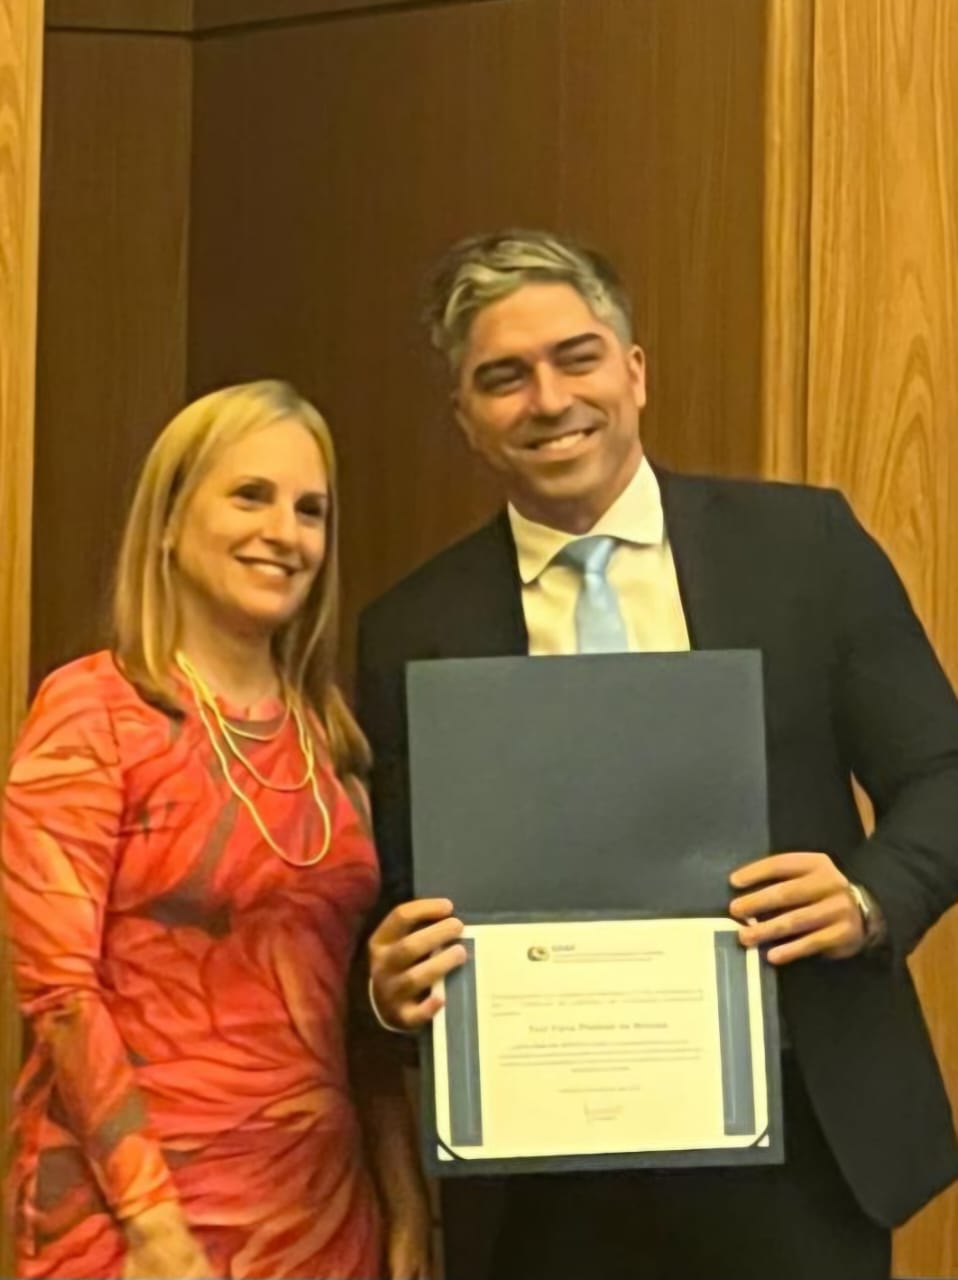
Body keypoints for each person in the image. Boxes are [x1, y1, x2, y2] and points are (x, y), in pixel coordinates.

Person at [356, 230, 958, 1280]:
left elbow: (942, 773)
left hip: (799, 1138)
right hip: (541, 1178)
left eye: (576, 357)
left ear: (633, 370)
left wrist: (865, 897)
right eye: (504, 377)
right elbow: (398, 890)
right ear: (466, 420)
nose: (549, 399)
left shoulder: (803, 547)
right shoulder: (412, 628)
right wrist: (390, 984)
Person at [2, 381, 430, 1280]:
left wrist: (406, 1207)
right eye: (250, 496)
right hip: (135, 1225)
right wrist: (154, 1227)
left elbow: (356, 1020)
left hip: (323, 1218)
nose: (284, 532)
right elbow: (60, 996)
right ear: (168, 520)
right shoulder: (93, 711)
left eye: (310, 510)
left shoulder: (334, 741)